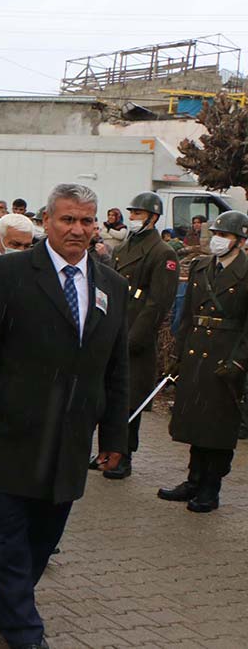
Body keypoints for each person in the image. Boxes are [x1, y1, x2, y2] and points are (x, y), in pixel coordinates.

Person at [0, 183, 129, 649]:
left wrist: (116, 437)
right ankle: (25, 630)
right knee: (7, 536)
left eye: (86, 221)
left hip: (71, 438)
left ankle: (5, 610)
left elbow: (117, 368)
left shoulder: (111, 285)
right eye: (67, 219)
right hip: (11, 432)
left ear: (96, 227)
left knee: (43, 539)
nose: (78, 229)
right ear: (46, 221)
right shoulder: (8, 272)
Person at [160, 210, 248, 512]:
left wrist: (239, 362)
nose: (218, 240)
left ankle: (211, 487)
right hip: (197, 350)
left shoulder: (246, 271)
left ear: (239, 240)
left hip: (227, 353)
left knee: (219, 425)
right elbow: (187, 318)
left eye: (225, 235)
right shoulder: (201, 267)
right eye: (216, 234)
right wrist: (177, 354)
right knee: (196, 419)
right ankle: (194, 480)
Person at [99, 192, 178, 480]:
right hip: (115, 330)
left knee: (129, 400)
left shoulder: (162, 253)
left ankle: (124, 456)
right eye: (131, 213)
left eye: (137, 214)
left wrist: (134, 339)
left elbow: (158, 303)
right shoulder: (125, 246)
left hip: (135, 339)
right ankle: (106, 450)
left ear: (153, 218)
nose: (131, 218)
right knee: (108, 398)